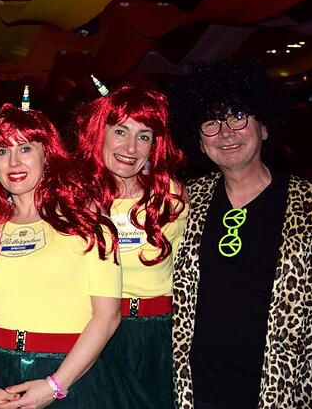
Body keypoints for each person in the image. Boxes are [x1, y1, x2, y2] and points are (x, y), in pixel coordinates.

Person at [0, 101, 132, 409]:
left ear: (47, 155)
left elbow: (107, 317)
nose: (13, 161)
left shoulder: (88, 225)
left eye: (25, 149)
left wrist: (55, 386)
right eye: (2, 151)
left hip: (70, 377)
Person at [168, 62, 312, 409]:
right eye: (211, 122)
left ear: (264, 127)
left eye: (238, 116)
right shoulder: (185, 201)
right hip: (192, 394)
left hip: (282, 393)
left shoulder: (308, 205)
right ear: (199, 141)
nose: (225, 132)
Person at [74, 81, 187, 409]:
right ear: (101, 133)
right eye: (121, 131)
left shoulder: (171, 196)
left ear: (155, 145)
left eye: (144, 136)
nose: (131, 147)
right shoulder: (73, 200)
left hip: (159, 336)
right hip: (92, 333)